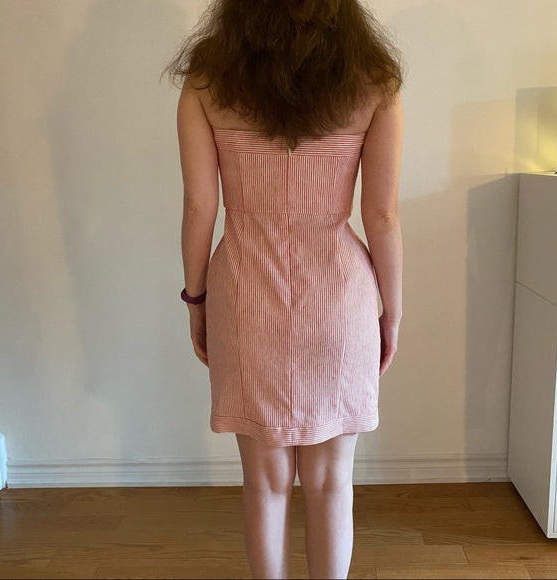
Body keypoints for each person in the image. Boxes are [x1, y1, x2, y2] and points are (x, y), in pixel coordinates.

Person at [163, 1, 404, 577]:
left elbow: (199, 208)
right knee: (331, 483)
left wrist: (196, 300)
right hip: (339, 297)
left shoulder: (208, 79)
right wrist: (390, 312)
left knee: (265, 483)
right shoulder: (375, 80)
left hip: (243, 289)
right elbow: (382, 216)